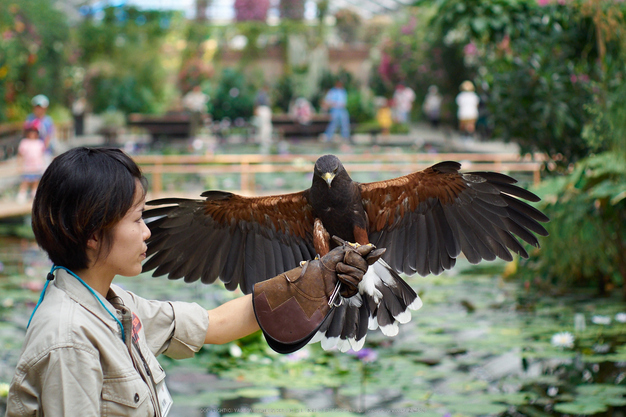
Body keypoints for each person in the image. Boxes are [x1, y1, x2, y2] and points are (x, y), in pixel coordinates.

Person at [5, 147, 373, 416]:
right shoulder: (69, 342)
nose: (148, 232)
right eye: (136, 220)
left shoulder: (116, 308)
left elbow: (213, 325)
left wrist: (318, 278)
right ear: (91, 233)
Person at [16, 121, 46, 204]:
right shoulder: (24, 142)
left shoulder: (40, 143)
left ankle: (34, 195)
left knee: (36, 181)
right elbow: (20, 155)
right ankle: (22, 195)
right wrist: (19, 165)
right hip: (27, 166)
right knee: (25, 181)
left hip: (37, 166)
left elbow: (42, 155)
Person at [254, 85, 273, 154]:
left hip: (264, 110)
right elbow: (257, 103)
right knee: (263, 127)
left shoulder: (264, 95)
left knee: (265, 127)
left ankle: (265, 140)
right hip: (263, 110)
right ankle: (263, 140)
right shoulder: (261, 94)